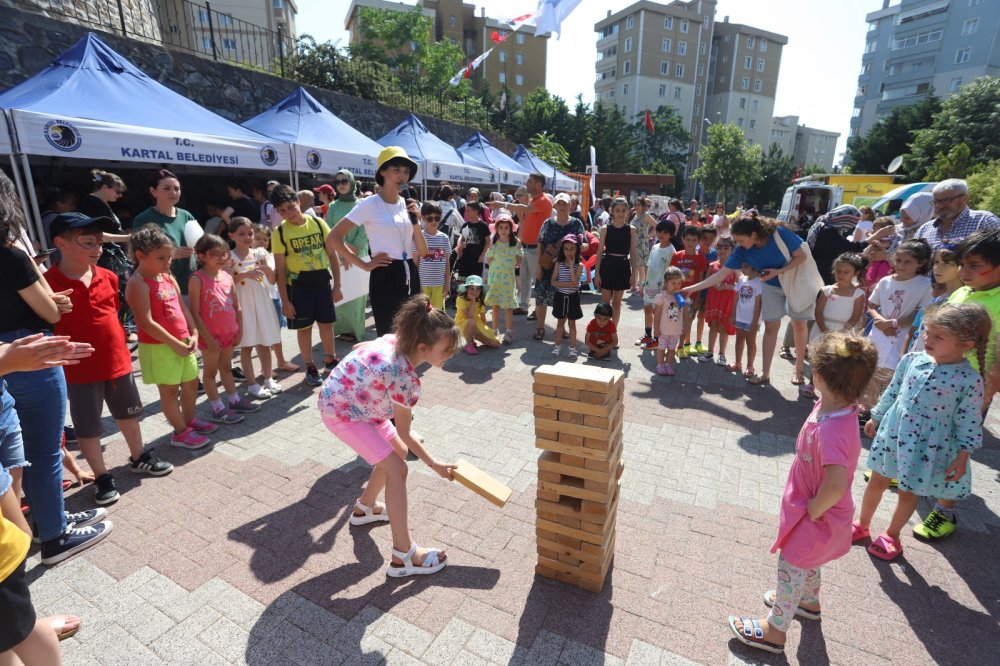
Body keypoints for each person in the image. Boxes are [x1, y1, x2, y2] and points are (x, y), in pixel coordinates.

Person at [728, 332, 878, 656]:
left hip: (818, 513)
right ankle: (807, 601)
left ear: (819, 376)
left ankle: (775, 630)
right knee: (808, 561)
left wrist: (814, 509)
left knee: (792, 562)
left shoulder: (834, 428)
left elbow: (836, 483)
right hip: (815, 508)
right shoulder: (834, 407)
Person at [1, 173, 113, 565]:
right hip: (32, 352)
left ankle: (50, 519)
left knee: (25, 450)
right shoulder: (12, 254)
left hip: (6, 355)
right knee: (46, 448)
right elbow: (50, 312)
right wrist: (51, 301)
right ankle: (55, 535)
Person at [317, 294, 458, 577]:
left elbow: (359, 346)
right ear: (422, 347)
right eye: (446, 349)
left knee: (399, 453)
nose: (451, 354)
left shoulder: (395, 340)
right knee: (398, 470)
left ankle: (365, 508)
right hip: (343, 412)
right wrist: (435, 465)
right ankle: (404, 556)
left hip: (359, 405)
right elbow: (404, 431)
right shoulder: (405, 378)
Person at [46, 213, 173, 506]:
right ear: (61, 243)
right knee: (88, 426)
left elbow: (113, 313)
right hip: (79, 370)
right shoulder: (47, 285)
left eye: (99, 242)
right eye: (88, 242)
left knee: (128, 413)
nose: (97, 249)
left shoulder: (109, 276)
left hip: (117, 361)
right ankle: (102, 476)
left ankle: (139, 456)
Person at [854, 303, 988, 561]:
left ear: (966, 344)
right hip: (894, 434)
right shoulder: (911, 360)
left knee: (908, 492)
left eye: (938, 336)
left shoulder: (970, 380)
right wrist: (877, 415)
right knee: (876, 481)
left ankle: (892, 535)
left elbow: (969, 421)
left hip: (925, 447)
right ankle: (862, 524)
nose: (927, 339)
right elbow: (893, 391)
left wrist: (963, 455)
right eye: (927, 332)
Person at [683, 216, 817, 386]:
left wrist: (779, 271)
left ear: (753, 235)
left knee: (799, 324)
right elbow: (720, 275)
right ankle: (765, 373)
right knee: (771, 326)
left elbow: (801, 256)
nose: (738, 244)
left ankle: (798, 369)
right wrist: (692, 288)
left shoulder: (779, 233)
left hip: (795, 281)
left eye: (740, 240)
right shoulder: (741, 250)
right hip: (770, 284)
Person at [126, 225, 216, 450]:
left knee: (191, 384)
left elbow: (183, 309)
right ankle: (180, 432)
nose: (168, 262)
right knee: (169, 390)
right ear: (140, 255)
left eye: (169, 256)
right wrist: (174, 343)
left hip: (183, 342)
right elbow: (146, 322)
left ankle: (188, 421)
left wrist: (194, 332)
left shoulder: (167, 277)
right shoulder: (137, 283)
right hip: (159, 347)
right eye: (161, 257)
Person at [329, 147, 426, 337]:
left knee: (412, 335)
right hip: (385, 273)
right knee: (389, 337)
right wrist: (364, 265)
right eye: (396, 170)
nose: (402, 176)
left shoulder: (409, 204)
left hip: (410, 272)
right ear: (383, 172)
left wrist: (416, 222)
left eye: (406, 171)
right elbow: (333, 237)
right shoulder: (369, 204)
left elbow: (423, 251)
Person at [270, 184, 343, 387]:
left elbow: (332, 255)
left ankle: (330, 360)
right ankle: (310, 367)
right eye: (282, 211)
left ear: (298, 202)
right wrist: (285, 301)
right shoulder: (280, 232)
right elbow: (280, 270)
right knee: (304, 329)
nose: (289, 214)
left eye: (291, 207)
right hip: (298, 287)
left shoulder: (318, 223)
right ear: (278, 212)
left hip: (321, 282)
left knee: (327, 324)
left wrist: (337, 286)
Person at [860, 239, 933, 414]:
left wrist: (893, 323)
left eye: (907, 262)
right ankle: (866, 409)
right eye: (898, 260)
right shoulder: (885, 281)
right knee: (871, 372)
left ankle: (882, 413)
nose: (900, 265)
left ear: (921, 263)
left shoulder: (924, 285)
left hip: (901, 337)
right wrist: (880, 321)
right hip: (879, 333)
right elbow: (872, 306)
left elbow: (920, 313)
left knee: (892, 377)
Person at [799, 253, 866, 400]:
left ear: (855, 273)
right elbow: (818, 311)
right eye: (838, 271)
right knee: (818, 357)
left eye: (846, 272)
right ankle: (811, 384)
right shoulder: (827, 290)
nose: (841, 274)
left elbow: (855, 316)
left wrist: (843, 332)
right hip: (822, 328)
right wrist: (824, 329)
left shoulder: (858, 294)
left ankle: (829, 390)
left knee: (836, 360)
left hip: (843, 331)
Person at [229, 218, 283, 399]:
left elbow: (272, 281)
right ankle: (252, 384)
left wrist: (268, 271)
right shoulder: (229, 257)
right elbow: (227, 282)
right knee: (247, 345)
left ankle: (268, 378)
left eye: (250, 233)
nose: (247, 237)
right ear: (231, 235)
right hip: (243, 303)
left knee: (264, 342)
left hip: (261, 301)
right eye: (242, 234)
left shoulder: (260, 253)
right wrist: (246, 274)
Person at [489, 174, 553, 317]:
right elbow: (525, 221)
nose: (527, 183)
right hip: (527, 247)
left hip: (536, 249)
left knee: (538, 280)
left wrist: (503, 204)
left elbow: (524, 209)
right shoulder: (535, 200)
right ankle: (524, 306)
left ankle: (539, 310)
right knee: (524, 279)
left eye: (530, 181)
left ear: (538, 184)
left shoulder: (543, 200)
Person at [131, 170, 198, 295]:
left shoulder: (187, 216)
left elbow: (200, 245)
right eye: (167, 188)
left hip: (191, 286)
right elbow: (139, 256)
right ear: (153, 191)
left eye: (176, 189)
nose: (173, 192)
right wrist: (171, 254)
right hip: (159, 289)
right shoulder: (143, 219)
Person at [530, 193, 585, 341]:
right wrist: (538, 266)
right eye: (559, 203)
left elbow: (584, 243)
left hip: (566, 267)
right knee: (540, 297)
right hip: (547, 266)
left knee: (565, 297)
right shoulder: (548, 223)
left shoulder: (576, 223)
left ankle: (561, 328)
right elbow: (540, 245)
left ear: (570, 206)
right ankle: (540, 328)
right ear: (554, 205)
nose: (561, 206)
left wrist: (580, 245)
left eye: (564, 203)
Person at [327, 170, 367, 343]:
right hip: (338, 257)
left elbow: (364, 230)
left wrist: (351, 251)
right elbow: (328, 229)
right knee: (341, 294)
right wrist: (341, 250)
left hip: (357, 256)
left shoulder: (361, 204)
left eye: (344, 181)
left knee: (356, 296)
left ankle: (354, 330)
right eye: (338, 182)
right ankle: (341, 328)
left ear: (352, 182)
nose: (341, 185)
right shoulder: (333, 206)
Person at [252, 224, 299, 375]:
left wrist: (267, 267)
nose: (261, 242)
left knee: (276, 332)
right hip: (258, 299)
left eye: (265, 239)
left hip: (274, 298)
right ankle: (265, 368)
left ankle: (281, 361)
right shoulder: (248, 257)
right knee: (262, 335)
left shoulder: (271, 256)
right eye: (257, 238)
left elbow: (274, 280)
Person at [915, 177, 1000, 251]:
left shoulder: (984, 222)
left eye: (946, 200)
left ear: (964, 199)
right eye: (936, 202)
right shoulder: (924, 230)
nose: (939, 206)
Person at [593, 197, 638, 327]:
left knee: (617, 303)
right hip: (607, 265)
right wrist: (597, 274)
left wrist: (634, 274)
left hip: (623, 266)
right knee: (605, 303)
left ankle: (613, 330)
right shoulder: (605, 229)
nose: (620, 213)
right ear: (612, 211)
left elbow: (633, 253)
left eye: (623, 210)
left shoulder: (631, 229)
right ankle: (603, 329)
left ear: (627, 211)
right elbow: (599, 253)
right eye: (617, 210)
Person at [636, 220, 676, 349]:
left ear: (671, 234)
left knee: (657, 313)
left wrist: (667, 288)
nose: (661, 235)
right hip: (650, 285)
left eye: (665, 233)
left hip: (661, 287)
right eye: (659, 231)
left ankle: (658, 339)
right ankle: (648, 335)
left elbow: (671, 271)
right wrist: (643, 283)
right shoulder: (655, 247)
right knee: (647, 309)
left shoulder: (671, 251)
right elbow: (648, 266)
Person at [671, 226, 708, 360]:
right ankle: (670, 346)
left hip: (691, 297)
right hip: (675, 295)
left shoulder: (701, 257)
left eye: (694, 240)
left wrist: (698, 297)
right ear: (683, 239)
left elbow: (701, 279)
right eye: (687, 239)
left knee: (686, 322)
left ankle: (681, 346)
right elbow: (670, 276)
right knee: (673, 321)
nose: (690, 243)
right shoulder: (676, 255)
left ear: (698, 241)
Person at [806, 205, 868, 285]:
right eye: (852, 221)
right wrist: (872, 239)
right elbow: (848, 248)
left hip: (817, 272)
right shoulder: (827, 231)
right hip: (820, 275)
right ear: (844, 219)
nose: (853, 225)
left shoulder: (825, 226)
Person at [484, 210, 521, 344]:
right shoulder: (493, 243)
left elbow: (519, 261)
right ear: (496, 228)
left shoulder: (515, 242)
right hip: (495, 279)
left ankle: (508, 332)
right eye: (501, 227)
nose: (503, 230)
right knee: (495, 305)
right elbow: (489, 260)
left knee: (508, 306)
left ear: (511, 229)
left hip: (509, 279)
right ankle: (495, 330)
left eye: (506, 227)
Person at [702, 236, 738, 366]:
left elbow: (739, 286)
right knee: (713, 325)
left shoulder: (735, 267)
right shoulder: (712, 265)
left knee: (723, 327)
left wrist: (725, 286)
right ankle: (710, 351)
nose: (722, 250)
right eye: (719, 247)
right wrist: (713, 284)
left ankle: (722, 354)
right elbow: (706, 282)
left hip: (727, 302)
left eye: (726, 248)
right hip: (714, 300)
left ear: (732, 249)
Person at [550, 234, 584, 359]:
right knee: (560, 323)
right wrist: (568, 284)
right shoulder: (558, 264)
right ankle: (557, 347)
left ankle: (572, 349)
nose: (569, 252)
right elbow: (553, 281)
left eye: (572, 249)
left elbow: (575, 281)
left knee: (572, 324)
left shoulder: (579, 266)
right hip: (560, 296)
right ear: (562, 250)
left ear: (577, 250)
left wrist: (570, 267)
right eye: (566, 249)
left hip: (573, 297)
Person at [728, 264, 763, 377]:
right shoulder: (742, 279)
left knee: (750, 342)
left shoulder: (759, 282)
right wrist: (733, 314)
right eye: (742, 266)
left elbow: (758, 304)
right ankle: (737, 363)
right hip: (740, 316)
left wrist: (755, 321)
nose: (742, 269)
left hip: (751, 319)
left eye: (746, 267)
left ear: (754, 267)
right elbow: (736, 297)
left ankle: (750, 367)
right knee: (739, 339)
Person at [416, 202, 451, 312]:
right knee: (423, 313)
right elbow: (415, 263)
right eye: (430, 218)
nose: (434, 221)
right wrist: (417, 284)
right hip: (423, 284)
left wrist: (447, 283)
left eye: (437, 218)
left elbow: (447, 263)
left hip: (439, 285)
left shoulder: (444, 238)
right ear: (423, 218)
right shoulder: (419, 237)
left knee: (436, 313)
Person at [653, 266, 686, 376]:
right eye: (673, 283)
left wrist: (684, 325)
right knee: (661, 348)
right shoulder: (661, 297)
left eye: (679, 283)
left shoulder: (681, 296)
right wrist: (656, 329)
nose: (676, 286)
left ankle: (668, 364)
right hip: (663, 330)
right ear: (666, 283)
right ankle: (660, 365)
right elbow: (657, 314)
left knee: (672, 348)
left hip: (676, 330)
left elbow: (683, 313)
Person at [454, 275, 499, 355]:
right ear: (467, 289)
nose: (474, 292)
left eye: (477, 289)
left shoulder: (480, 300)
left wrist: (485, 331)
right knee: (471, 321)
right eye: (472, 288)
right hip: (462, 324)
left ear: (481, 290)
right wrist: (473, 301)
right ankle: (468, 344)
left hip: (476, 323)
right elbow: (468, 316)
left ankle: (474, 336)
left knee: (496, 343)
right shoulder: (460, 299)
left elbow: (483, 317)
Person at [456, 201, 491, 282]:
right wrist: (461, 246)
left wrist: (482, 255)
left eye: (468, 211)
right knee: (462, 281)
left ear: (475, 212)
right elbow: (462, 239)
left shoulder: (483, 226)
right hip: (465, 258)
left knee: (476, 282)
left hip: (478, 259)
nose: (466, 213)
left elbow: (488, 242)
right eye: (466, 211)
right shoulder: (465, 225)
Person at [630, 197, 656, 293]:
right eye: (635, 204)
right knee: (635, 266)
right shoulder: (635, 215)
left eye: (639, 204)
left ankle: (641, 288)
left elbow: (657, 226)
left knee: (641, 267)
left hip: (642, 244)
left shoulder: (646, 215)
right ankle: (635, 286)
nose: (636, 206)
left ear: (643, 206)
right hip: (633, 244)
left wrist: (649, 236)